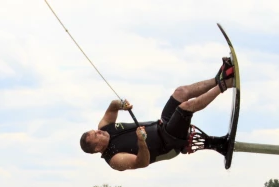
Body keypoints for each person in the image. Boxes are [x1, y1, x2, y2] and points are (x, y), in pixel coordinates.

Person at [79, 58, 235, 171]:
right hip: (169, 144)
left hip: (163, 125)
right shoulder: (114, 159)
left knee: (181, 92)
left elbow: (112, 107)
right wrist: (141, 141)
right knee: (185, 107)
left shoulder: (105, 127)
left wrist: (121, 105)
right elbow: (142, 163)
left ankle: (219, 78)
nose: (99, 131)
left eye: (95, 131)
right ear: (98, 147)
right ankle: (227, 84)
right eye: (96, 135)